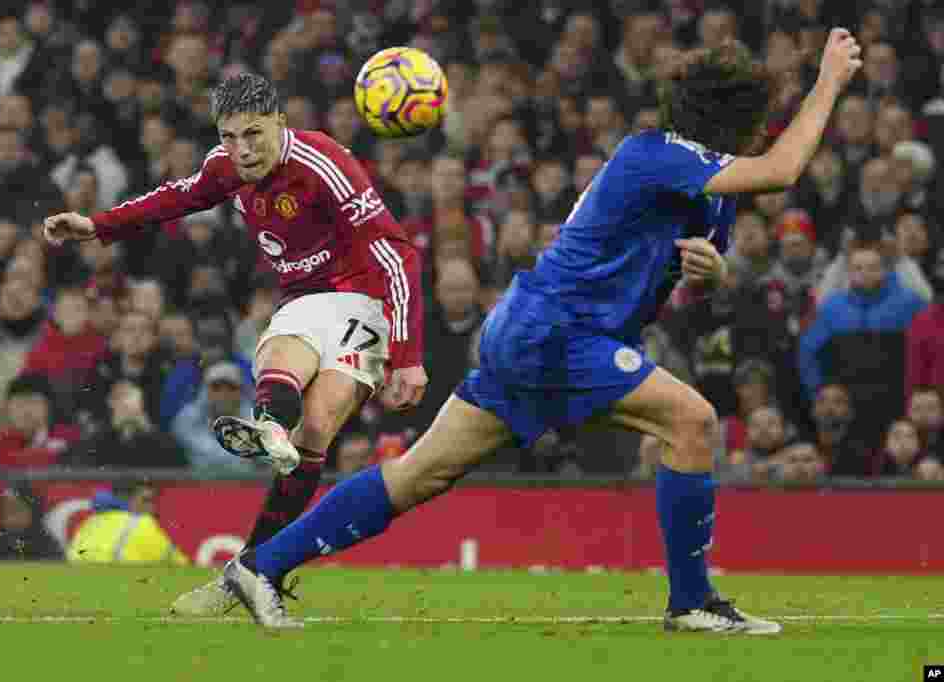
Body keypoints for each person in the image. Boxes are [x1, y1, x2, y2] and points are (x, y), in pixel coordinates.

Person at [218, 31, 862, 632]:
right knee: (691, 421)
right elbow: (782, 171)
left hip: (536, 329)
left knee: (418, 475)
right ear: (740, 118)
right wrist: (827, 81)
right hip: (560, 332)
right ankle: (693, 603)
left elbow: (684, 271)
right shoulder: (655, 153)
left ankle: (259, 565)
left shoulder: (706, 190)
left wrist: (712, 273)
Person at [42, 72, 426, 614]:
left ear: (280, 124)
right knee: (286, 369)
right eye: (228, 136)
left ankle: (250, 562)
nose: (241, 150)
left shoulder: (324, 164)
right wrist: (99, 226)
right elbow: (176, 197)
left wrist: (408, 357)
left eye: (253, 135)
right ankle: (267, 443)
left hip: (363, 302)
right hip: (303, 301)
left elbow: (397, 254)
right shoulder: (225, 166)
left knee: (314, 432)